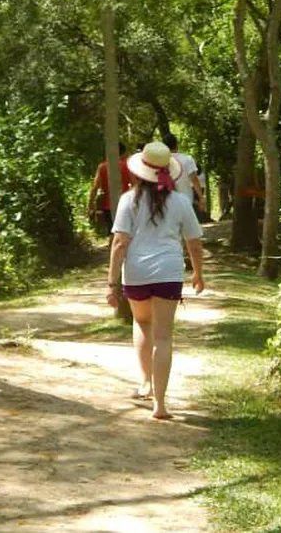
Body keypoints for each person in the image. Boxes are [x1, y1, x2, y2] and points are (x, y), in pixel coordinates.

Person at [107, 141, 205, 420]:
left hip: (136, 274)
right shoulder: (181, 202)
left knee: (142, 323)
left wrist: (111, 283)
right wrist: (198, 273)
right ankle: (160, 405)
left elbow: (119, 243)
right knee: (163, 336)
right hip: (168, 273)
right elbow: (194, 243)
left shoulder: (129, 200)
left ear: (138, 172)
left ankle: (145, 383)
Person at [87, 142, 133, 235]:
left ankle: (112, 248)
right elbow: (135, 185)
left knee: (112, 231)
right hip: (125, 204)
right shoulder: (127, 166)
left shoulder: (102, 166)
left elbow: (95, 188)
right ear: (123, 152)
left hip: (107, 206)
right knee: (125, 232)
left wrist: (90, 206)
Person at [163, 134, 205, 215]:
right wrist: (201, 197)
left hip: (167, 201)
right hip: (186, 200)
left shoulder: (161, 162)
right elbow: (194, 180)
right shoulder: (187, 159)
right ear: (176, 145)